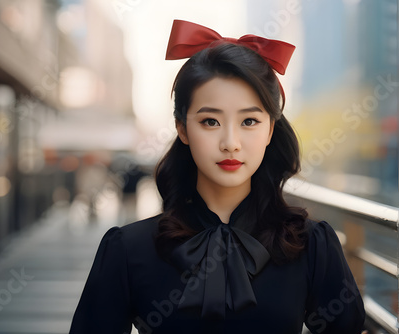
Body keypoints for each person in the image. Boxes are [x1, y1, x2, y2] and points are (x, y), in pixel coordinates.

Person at [69, 19, 365, 334]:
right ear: (182, 128)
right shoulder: (128, 249)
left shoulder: (310, 244)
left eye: (249, 121)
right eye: (210, 121)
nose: (230, 143)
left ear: (270, 130)